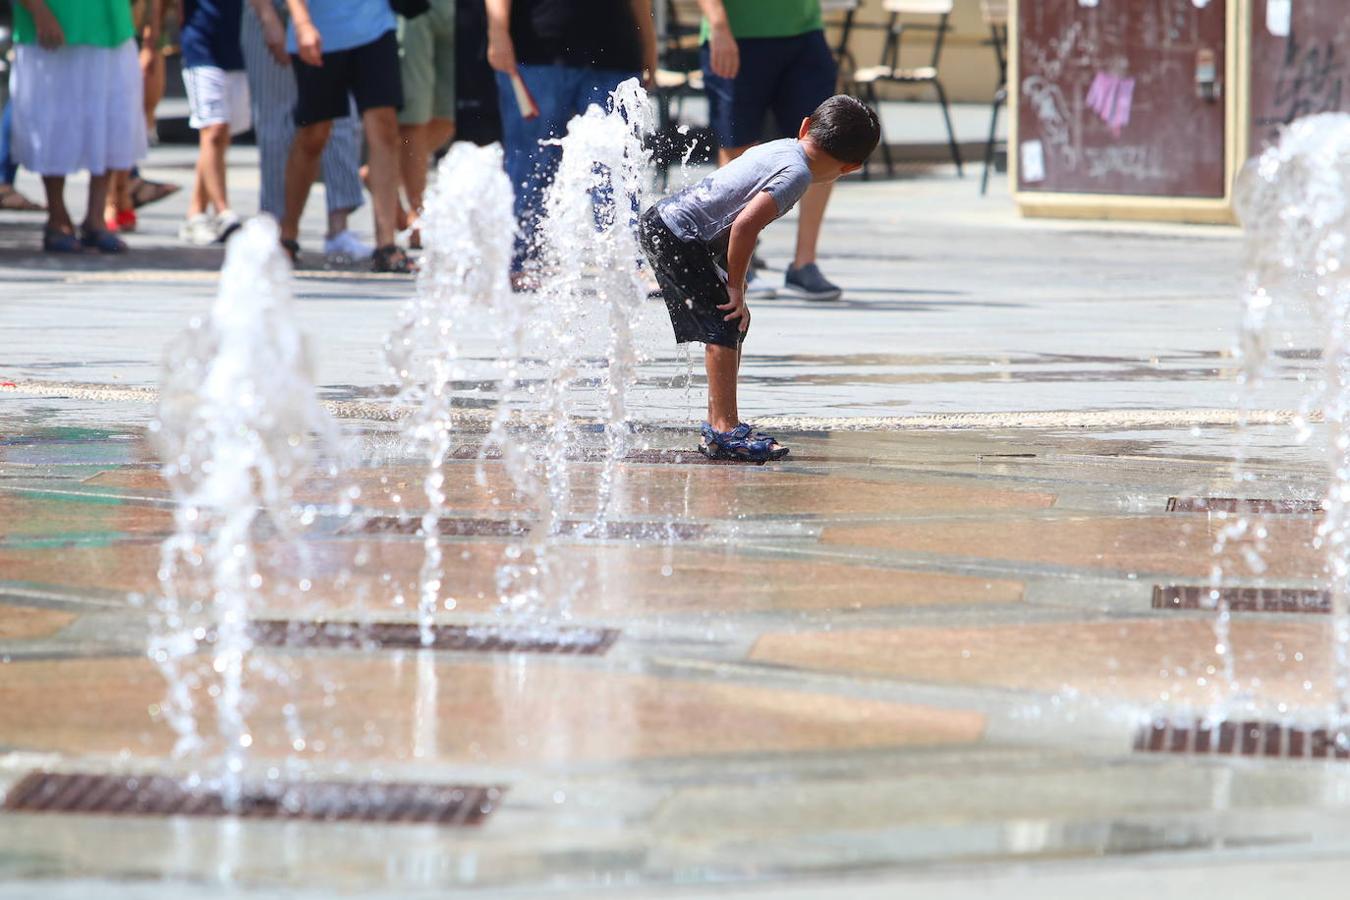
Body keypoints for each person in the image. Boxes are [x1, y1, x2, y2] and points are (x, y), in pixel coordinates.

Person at [639, 96, 878, 461]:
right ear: (849, 168)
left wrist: (736, 284)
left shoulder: (781, 148)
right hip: (679, 233)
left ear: (804, 127)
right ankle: (724, 429)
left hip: (667, 224)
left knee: (732, 323)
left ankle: (718, 423)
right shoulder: (798, 175)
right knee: (725, 319)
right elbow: (746, 226)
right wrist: (735, 287)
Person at [484, 0, 657, 285]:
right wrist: (497, 31)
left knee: (615, 165)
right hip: (538, 49)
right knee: (531, 162)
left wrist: (648, 44)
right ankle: (520, 259)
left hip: (614, 50)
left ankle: (625, 262)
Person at [697, 0, 845, 301]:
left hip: (804, 31)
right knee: (737, 145)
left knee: (824, 145)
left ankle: (805, 264)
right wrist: (719, 25)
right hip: (738, 32)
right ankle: (734, 262)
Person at [280, 0, 410, 273]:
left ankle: (386, 244)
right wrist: (302, 22)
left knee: (385, 128)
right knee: (314, 134)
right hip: (319, 32)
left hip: (376, 26)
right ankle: (287, 235)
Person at [10, 0, 147, 253]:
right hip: (54, 25)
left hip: (111, 26)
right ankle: (57, 217)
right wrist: (39, 10)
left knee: (111, 118)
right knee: (54, 122)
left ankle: (95, 219)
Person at [242, 0, 371, 262]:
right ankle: (277, 231)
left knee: (341, 118)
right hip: (274, 11)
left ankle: (339, 230)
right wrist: (267, 16)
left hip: (335, 16)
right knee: (277, 123)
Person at [178, 0, 250, 245]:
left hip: (239, 46)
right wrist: (152, 40)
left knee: (219, 137)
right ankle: (223, 213)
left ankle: (195, 213)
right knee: (214, 129)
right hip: (200, 45)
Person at [396, 0, 456, 249]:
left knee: (449, 115)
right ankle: (417, 211)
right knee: (415, 116)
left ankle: (385, 170)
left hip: (460, 11)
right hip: (414, 10)